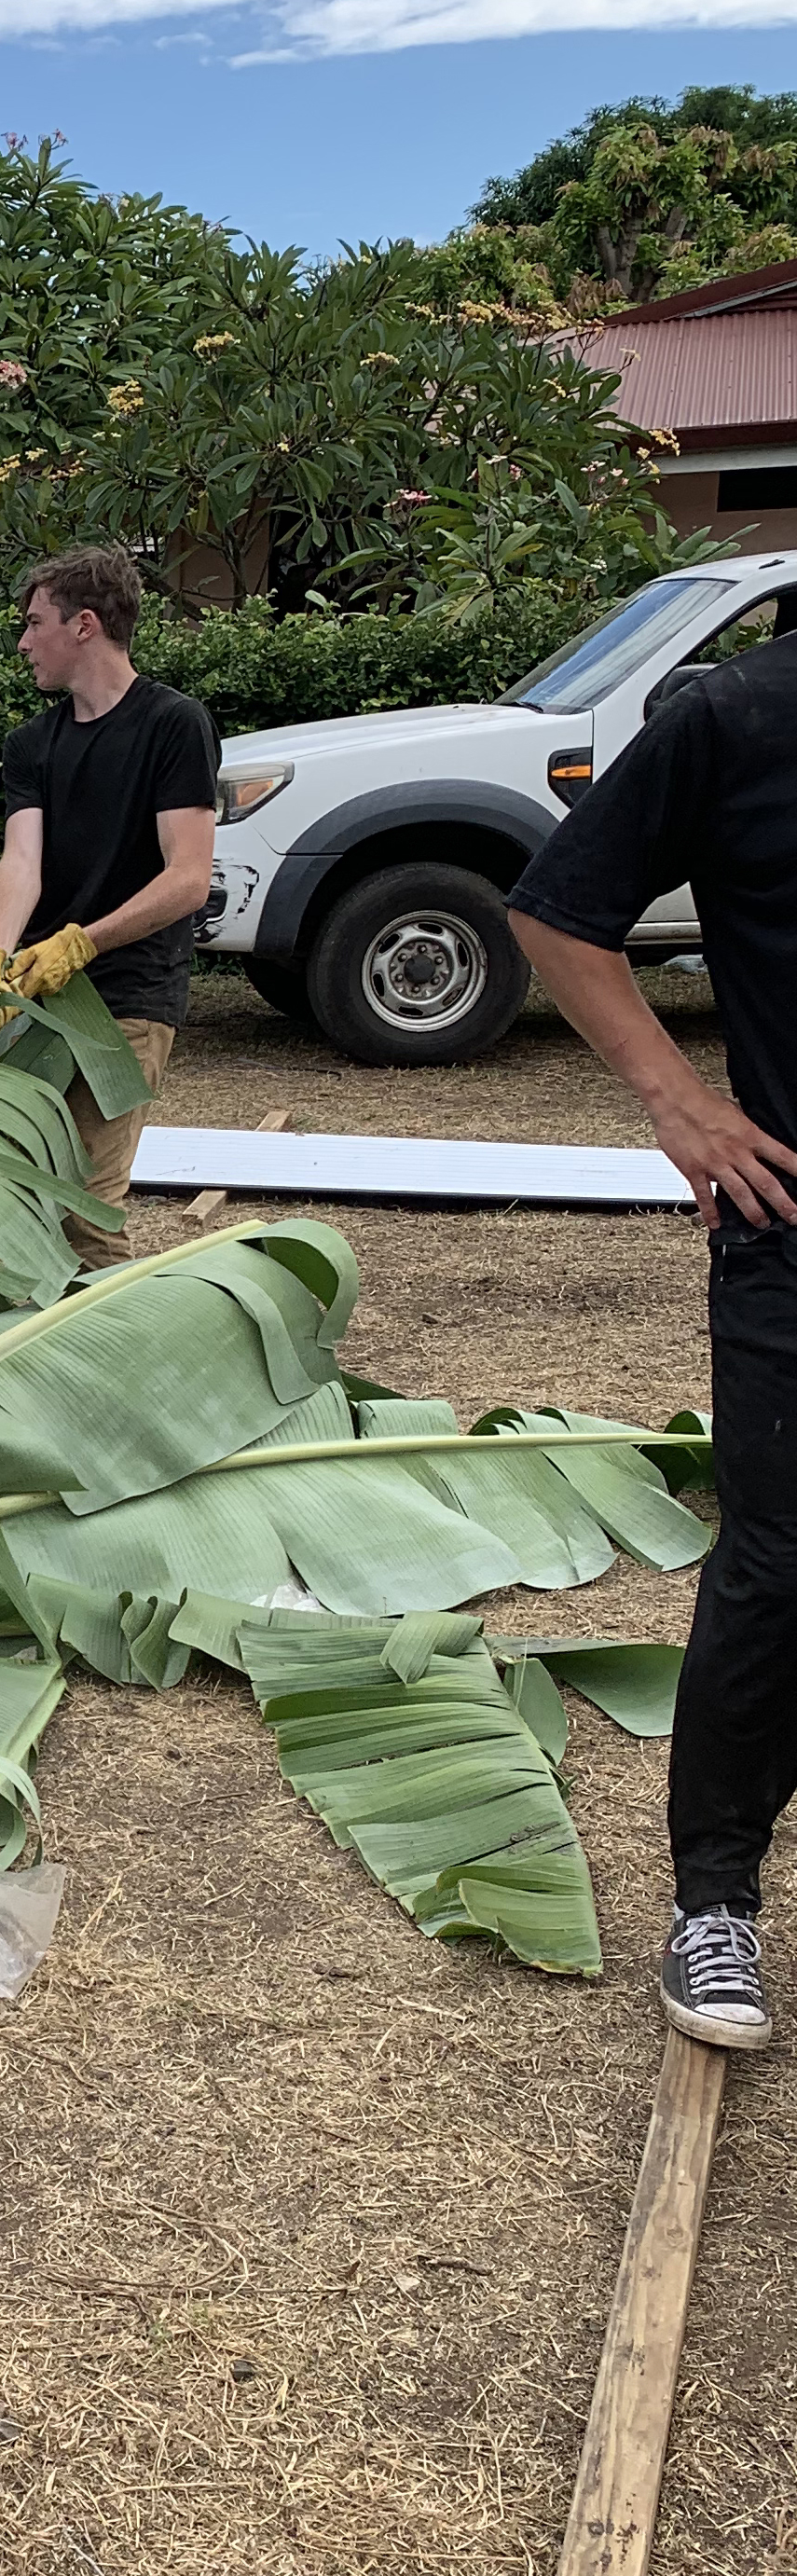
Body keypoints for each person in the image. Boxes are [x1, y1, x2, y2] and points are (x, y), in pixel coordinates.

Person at [506, 611, 797, 2052]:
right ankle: (716, 1905)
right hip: (793, 1232)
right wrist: (680, 1104)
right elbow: (560, 913)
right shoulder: (739, 717)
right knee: (781, 1558)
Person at [0, 546, 219, 1268]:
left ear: (84, 626)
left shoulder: (174, 724)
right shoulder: (31, 745)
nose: (22, 643)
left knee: (86, 1210)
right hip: (40, 998)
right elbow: (21, 862)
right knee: (7, 1198)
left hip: (131, 998)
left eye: (33, 623)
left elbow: (188, 878)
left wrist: (82, 942)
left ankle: (107, 1362)